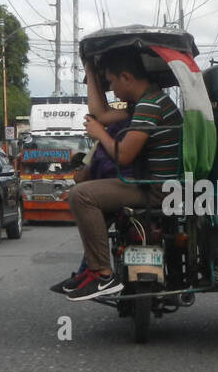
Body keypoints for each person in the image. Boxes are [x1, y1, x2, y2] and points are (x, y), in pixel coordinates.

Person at [62, 49, 181, 301]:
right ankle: (88, 271)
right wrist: (90, 72)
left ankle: (103, 276)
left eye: (112, 81)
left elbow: (124, 155)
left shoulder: (150, 106)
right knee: (92, 191)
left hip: (156, 190)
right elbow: (101, 114)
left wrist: (99, 134)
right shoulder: (148, 101)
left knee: (81, 195)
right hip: (153, 184)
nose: (112, 89)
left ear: (126, 77)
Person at [49, 119, 135, 294]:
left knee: (90, 212)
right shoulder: (129, 130)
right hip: (151, 190)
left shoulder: (106, 139)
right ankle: (87, 274)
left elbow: (82, 178)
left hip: (127, 193)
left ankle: (98, 274)